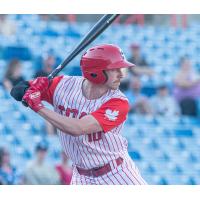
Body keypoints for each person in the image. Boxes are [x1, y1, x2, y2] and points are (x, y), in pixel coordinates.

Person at [11, 44, 147, 185]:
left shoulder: (119, 101)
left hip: (117, 174)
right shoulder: (63, 86)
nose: (121, 74)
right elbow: (17, 90)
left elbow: (78, 129)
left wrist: (39, 107)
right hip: (81, 177)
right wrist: (31, 86)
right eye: (115, 69)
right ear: (96, 72)